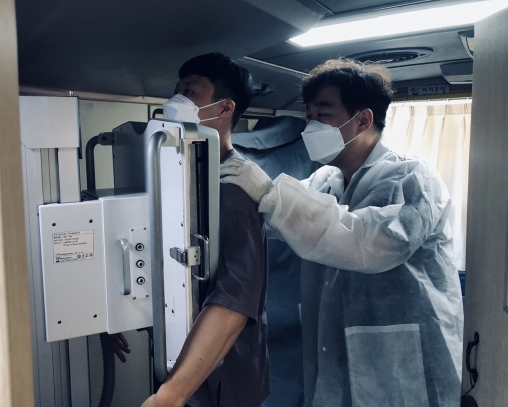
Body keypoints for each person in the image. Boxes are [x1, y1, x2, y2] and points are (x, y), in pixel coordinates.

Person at [221, 58, 464, 407]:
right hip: (337, 352)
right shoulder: (324, 180)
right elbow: (283, 221)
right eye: (308, 116)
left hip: (401, 359)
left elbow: (368, 243)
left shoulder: (412, 178)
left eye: (323, 114)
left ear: (363, 119)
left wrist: (271, 194)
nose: (310, 126)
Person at [142, 53, 269, 407]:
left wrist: (172, 394)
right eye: (177, 90)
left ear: (225, 107)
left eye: (190, 92)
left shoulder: (235, 186)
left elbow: (235, 301)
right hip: (180, 356)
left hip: (221, 376)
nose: (176, 100)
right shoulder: (179, 174)